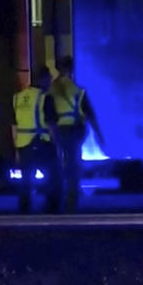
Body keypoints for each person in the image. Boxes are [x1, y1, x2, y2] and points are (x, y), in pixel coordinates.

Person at [49, 56, 103, 213]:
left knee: (61, 167)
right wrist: (99, 135)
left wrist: (54, 137)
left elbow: (49, 117)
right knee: (73, 168)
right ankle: (71, 204)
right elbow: (90, 114)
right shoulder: (78, 90)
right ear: (71, 69)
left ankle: (58, 203)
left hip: (59, 133)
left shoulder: (51, 90)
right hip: (75, 133)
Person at [12, 66, 62, 214]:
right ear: (43, 79)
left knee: (25, 179)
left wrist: (16, 146)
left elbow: (14, 125)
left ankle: (24, 209)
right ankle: (51, 209)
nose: (50, 82)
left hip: (23, 143)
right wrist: (58, 146)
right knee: (53, 176)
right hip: (42, 142)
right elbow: (50, 124)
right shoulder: (45, 98)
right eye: (49, 79)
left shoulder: (18, 97)